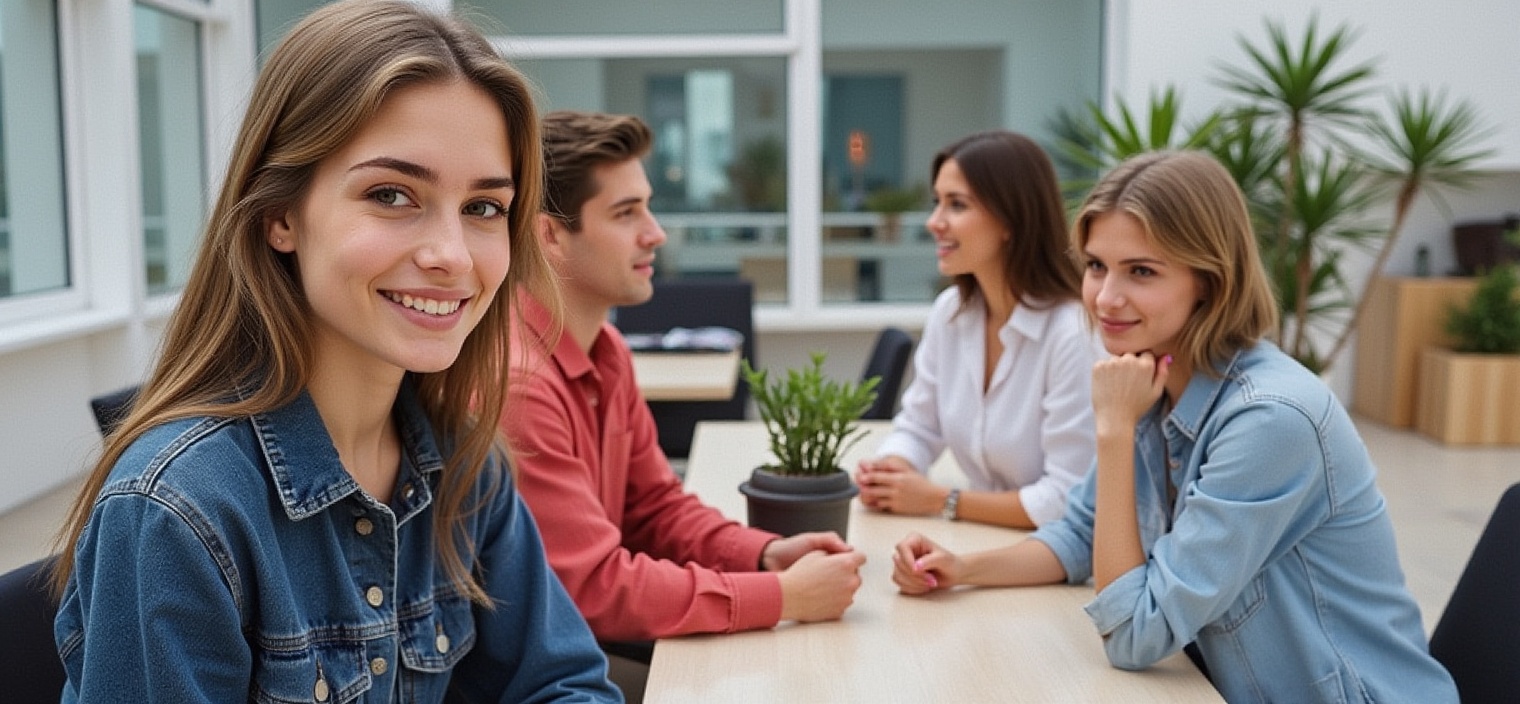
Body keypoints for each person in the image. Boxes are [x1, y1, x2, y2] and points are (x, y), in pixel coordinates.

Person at [49, 2, 619, 701]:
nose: (451, 255)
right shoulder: (177, 510)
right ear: (280, 216)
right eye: (392, 194)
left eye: (483, 208)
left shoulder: (466, 467)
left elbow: (564, 683)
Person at [891, 151, 1459, 703]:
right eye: (1096, 266)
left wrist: (1114, 431)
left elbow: (1135, 632)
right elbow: (1079, 534)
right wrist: (961, 568)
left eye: (1141, 271)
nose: (1105, 297)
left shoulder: (1270, 419)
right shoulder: (1154, 380)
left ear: (1209, 279)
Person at [501, 110, 866, 644]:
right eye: (626, 213)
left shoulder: (608, 350)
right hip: (543, 670)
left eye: (647, 208)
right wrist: (784, 596)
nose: (656, 234)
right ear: (550, 235)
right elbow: (593, 589)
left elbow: (653, 509)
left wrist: (763, 553)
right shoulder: (520, 387)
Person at [855, 130, 1102, 529]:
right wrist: (890, 471)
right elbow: (919, 427)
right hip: (979, 541)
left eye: (957, 205)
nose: (934, 222)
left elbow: (1067, 499)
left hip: (1050, 556)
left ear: (1010, 219)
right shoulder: (951, 313)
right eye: (937, 202)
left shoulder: (1072, 334)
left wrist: (941, 500)